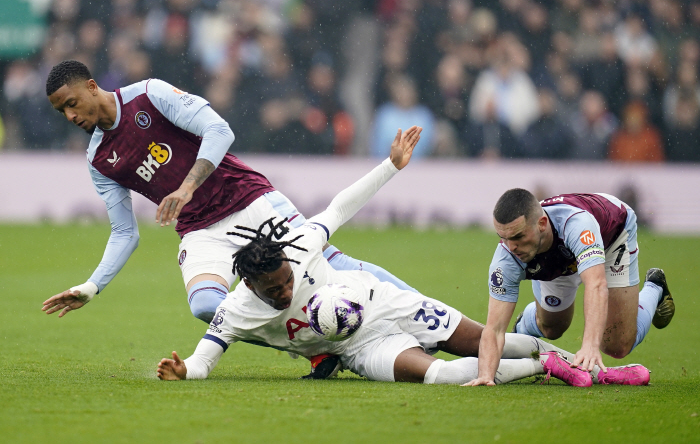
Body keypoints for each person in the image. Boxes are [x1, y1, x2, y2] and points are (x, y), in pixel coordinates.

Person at [157, 135, 650, 387]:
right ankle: (549, 363)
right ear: (252, 289)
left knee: (482, 341)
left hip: (381, 306)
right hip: (358, 349)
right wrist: (186, 372)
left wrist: (390, 166)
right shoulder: (234, 311)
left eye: (288, 281)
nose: (287, 292)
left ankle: (565, 358)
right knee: (443, 376)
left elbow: (340, 207)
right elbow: (203, 360)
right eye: (276, 292)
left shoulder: (300, 244)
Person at [40, 60, 418, 328]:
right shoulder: (98, 160)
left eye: (71, 103)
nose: (70, 117)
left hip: (248, 199)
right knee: (206, 306)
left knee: (333, 265)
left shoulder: (149, 95)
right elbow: (125, 233)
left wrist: (187, 186)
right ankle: (312, 340)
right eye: (62, 112)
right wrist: (91, 286)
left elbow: (219, 131)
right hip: (200, 230)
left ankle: (421, 310)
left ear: (91, 87)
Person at [466, 189, 674, 386]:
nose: (511, 247)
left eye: (518, 237)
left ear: (542, 224)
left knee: (616, 345)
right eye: (503, 237)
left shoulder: (577, 225)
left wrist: (590, 346)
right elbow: (494, 328)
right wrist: (485, 376)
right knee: (552, 327)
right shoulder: (506, 259)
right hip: (555, 257)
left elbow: (596, 284)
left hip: (611, 237)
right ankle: (526, 324)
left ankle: (655, 287)